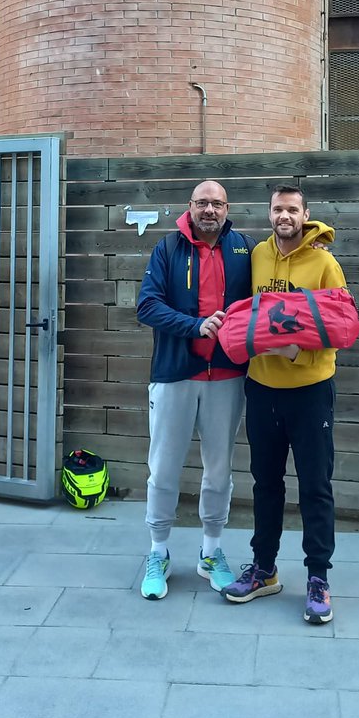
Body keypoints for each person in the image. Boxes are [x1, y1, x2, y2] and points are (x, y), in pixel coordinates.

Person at [222, 184, 346, 625]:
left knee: (315, 485)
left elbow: (339, 327)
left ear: (306, 214)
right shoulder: (256, 256)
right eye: (278, 209)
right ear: (269, 214)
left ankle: (317, 578)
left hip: (310, 390)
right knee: (265, 483)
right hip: (261, 389)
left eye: (292, 209)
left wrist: (298, 353)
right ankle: (265, 569)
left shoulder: (326, 264)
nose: (284, 216)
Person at [137, 180, 254, 600]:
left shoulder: (246, 249)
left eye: (217, 203)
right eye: (202, 202)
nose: (210, 209)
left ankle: (211, 552)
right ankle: (157, 552)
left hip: (227, 377)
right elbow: (146, 306)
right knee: (164, 469)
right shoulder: (167, 249)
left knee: (219, 471)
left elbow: (279, 286)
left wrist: (314, 256)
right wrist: (195, 326)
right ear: (189, 207)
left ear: (227, 208)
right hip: (175, 376)